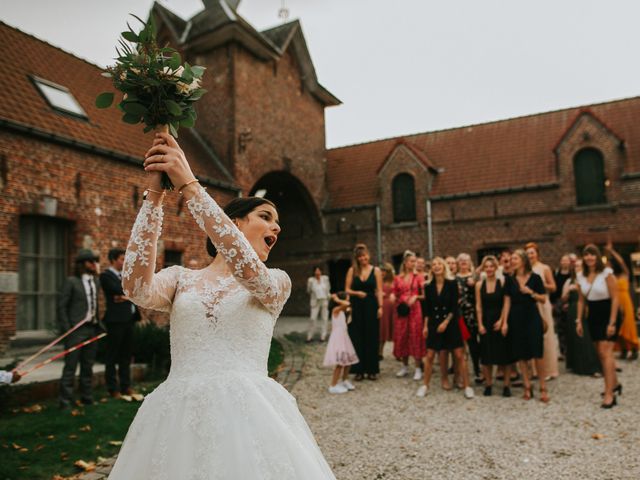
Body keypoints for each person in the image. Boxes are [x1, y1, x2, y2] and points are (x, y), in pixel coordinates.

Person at [108, 132, 335, 479]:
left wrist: (190, 186)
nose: (277, 226)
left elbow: (246, 268)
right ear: (236, 222)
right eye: (265, 216)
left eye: (277, 222)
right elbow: (135, 287)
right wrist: (154, 197)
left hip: (250, 419)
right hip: (176, 418)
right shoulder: (181, 278)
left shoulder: (276, 281)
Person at [417, 257, 474, 399]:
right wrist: (425, 327)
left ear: (444, 267)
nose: (436, 266)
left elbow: (455, 307)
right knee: (429, 356)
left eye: (439, 264)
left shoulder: (452, 283)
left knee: (459, 355)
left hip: (451, 323)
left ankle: (467, 386)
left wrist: (446, 322)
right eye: (434, 265)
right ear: (431, 269)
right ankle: (425, 385)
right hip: (434, 324)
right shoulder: (428, 286)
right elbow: (428, 310)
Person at [576, 244, 621, 409]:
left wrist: (612, 322)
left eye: (592, 255)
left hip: (609, 313)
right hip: (593, 316)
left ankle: (609, 394)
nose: (589, 258)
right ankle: (614, 383)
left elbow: (616, 298)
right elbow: (581, 300)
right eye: (586, 255)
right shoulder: (580, 276)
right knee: (601, 354)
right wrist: (578, 320)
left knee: (605, 351)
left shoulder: (606, 273)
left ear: (597, 256)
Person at [57, 249, 103, 409]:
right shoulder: (71, 282)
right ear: (83, 264)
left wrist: (99, 324)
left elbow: (96, 305)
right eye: (91, 261)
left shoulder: (96, 282)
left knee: (87, 366)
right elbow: (62, 306)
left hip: (92, 329)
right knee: (70, 366)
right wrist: (67, 328)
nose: (95, 264)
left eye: (95, 262)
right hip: (76, 331)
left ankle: (87, 397)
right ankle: (65, 401)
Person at [504, 249, 549, 403]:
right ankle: (527, 386)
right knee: (522, 354)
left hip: (532, 317)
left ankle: (543, 386)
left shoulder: (535, 278)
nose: (512, 261)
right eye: (511, 259)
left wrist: (531, 292)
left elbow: (543, 299)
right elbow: (507, 301)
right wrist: (504, 321)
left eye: (515, 258)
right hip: (516, 319)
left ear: (523, 260)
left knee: (537, 353)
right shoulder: (509, 279)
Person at [100, 248, 140, 399]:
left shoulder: (127, 276)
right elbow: (117, 289)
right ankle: (112, 388)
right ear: (113, 260)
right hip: (115, 321)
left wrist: (126, 297)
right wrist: (129, 294)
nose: (125, 262)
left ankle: (126, 386)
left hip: (130, 320)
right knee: (112, 356)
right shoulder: (106, 276)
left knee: (126, 355)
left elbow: (135, 290)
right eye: (122, 259)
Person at [345, 244, 383, 381]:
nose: (363, 258)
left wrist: (380, 307)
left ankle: (372, 369)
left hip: (371, 305)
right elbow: (347, 290)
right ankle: (358, 370)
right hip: (356, 306)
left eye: (365, 255)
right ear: (357, 258)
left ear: (369, 255)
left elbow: (379, 290)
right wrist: (357, 293)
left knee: (372, 337)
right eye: (360, 256)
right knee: (357, 337)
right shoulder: (352, 270)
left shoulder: (376, 271)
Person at [475, 256, 512, 397]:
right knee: (486, 354)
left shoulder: (501, 282)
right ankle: (489, 384)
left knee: (505, 354)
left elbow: (506, 303)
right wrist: (480, 324)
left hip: (500, 320)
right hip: (486, 320)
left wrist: (503, 321)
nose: (489, 269)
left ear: (496, 268)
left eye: (492, 266)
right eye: (486, 266)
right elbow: (478, 306)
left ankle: (506, 386)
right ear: (483, 269)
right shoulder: (479, 285)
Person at [525, 242, 559, 380]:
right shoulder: (524, 270)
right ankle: (533, 370)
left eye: (532, 253)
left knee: (545, 336)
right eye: (527, 253)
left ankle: (548, 370)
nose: (530, 255)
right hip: (529, 305)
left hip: (542, 303)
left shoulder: (544, 268)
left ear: (537, 254)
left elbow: (553, 287)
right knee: (531, 336)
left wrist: (539, 284)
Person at [562, 260, 600, 376]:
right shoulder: (569, 281)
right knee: (574, 337)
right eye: (575, 266)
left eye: (579, 266)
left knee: (586, 337)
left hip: (587, 309)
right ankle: (576, 365)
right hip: (573, 310)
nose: (577, 268)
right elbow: (563, 298)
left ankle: (592, 366)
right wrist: (568, 291)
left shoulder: (588, 278)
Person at [392, 251, 425, 380]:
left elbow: (425, 295)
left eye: (415, 261)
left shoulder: (419, 277)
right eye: (411, 261)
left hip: (415, 310)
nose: (414, 263)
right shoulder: (398, 278)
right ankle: (404, 366)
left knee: (416, 336)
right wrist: (392, 297)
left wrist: (416, 296)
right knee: (402, 336)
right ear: (405, 263)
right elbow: (395, 292)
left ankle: (418, 368)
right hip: (402, 310)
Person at [605, 243, 639, 360]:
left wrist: (612, 251)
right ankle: (624, 349)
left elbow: (622, 263)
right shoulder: (610, 276)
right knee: (618, 326)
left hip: (625, 301)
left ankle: (634, 349)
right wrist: (607, 254)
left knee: (628, 325)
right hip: (615, 302)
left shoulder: (625, 274)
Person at [323, 293, 358, 394]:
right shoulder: (336, 310)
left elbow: (348, 308)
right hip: (338, 338)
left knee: (348, 361)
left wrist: (349, 312)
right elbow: (347, 303)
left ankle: (344, 380)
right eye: (347, 298)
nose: (348, 300)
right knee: (340, 363)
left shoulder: (343, 311)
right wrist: (337, 299)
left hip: (344, 337)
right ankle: (333, 385)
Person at [456, 253, 481, 384]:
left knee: (473, 343)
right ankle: (460, 373)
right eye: (461, 261)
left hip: (471, 314)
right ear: (458, 263)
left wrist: (475, 283)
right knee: (459, 344)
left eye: (466, 260)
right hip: (458, 314)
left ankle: (478, 370)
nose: (463, 262)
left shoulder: (475, 278)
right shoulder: (454, 278)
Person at [552, 254, 572, 357]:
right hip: (558, 302)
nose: (564, 262)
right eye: (563, 260)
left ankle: (569, 349)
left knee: (568, 326)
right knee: (559, 327)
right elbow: (553, 290)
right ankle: (561, 350)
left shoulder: (572, 275)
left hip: (569, 301)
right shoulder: (556, 273)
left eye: (566, 260)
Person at [306, 266, 331, 342]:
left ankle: (323, 336)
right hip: (315, 301)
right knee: (312, 319)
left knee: (324, 319)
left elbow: (328, 288)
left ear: (321, 271)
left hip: (324, 301)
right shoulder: (311, 280)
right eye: (316, 271)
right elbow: (308, 290)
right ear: (314, 272)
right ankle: (309, 337)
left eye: (319, 271)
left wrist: (328, 297)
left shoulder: (325, 278)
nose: (317, 272)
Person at [379, 263, 396, 359]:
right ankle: (380, 352)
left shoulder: (395, 281)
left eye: (384, 271)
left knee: (394, 329)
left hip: (393, 308)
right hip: (384, 307)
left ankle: (397, 351)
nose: (382, 273)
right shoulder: (379, 281)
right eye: (381, 271)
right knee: (382, 329)